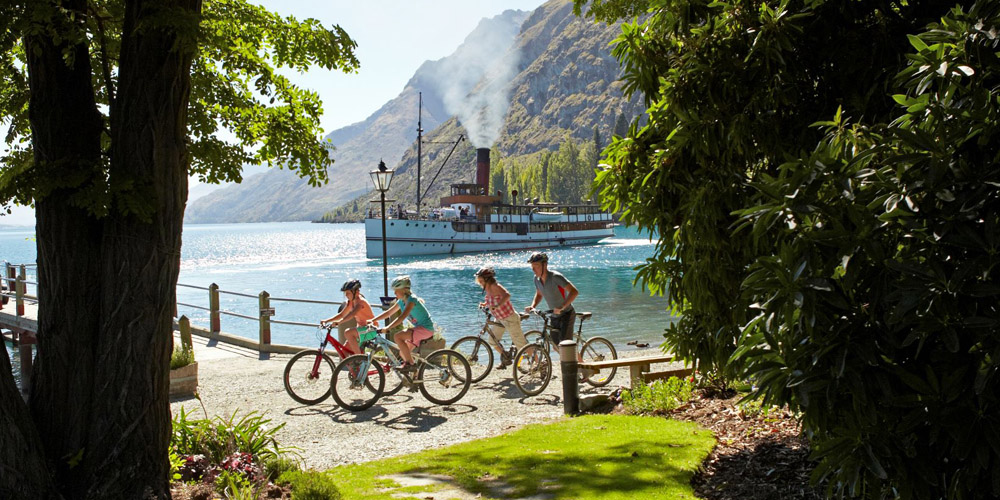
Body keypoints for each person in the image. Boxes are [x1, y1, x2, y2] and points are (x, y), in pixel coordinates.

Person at [367, 275, 435, 372]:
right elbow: (389, 312)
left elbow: (402, 317)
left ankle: (411, 365)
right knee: (403, 353)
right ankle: (415, 379)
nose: (394, 293)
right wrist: (373, 320)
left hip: (426, 329)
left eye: (396, 290)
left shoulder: (412, 300)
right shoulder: (401, 301)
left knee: (398, 337)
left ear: (404, 290)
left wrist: (388, 327)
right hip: (419, 329)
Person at [524, 252, 579, 359]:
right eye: (532, 267)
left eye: (537, 266)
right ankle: (575, 363)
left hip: (566, 313)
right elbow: (539, 293)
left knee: (566, 346)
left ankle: (579, 368)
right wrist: (533, 306)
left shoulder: (555, 277)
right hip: (554, 315)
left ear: (545, 265)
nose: (534, 269)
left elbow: (574, 291)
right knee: (555, 346)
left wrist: (562, 306)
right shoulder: (536, 279)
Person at [475, 267, 526, 369]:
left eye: (481, 280)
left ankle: (540, 363)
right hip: (500, 318)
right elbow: (492, 299)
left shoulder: (495, 286)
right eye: (478, 280)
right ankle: (506, 357)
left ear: (487, 279)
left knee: (521, 345)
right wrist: (485, 304)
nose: (479, 282)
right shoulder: (487, 288)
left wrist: (498, 305)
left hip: (510, 318)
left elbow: (507, 295)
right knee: (492, 341)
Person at [319, 279, 377, 354]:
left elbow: (352, 314)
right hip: (360, 330)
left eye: (348, 293)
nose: (346, 295)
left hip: (371, 329)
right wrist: (326, 320)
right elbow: (342, 314)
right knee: (343, 352)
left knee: (348, 333)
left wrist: (339, 322)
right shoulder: (350, 302)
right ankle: (357, 364)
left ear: (356, 292)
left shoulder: (361, 302)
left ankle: (359, 357)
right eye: (345, 293)